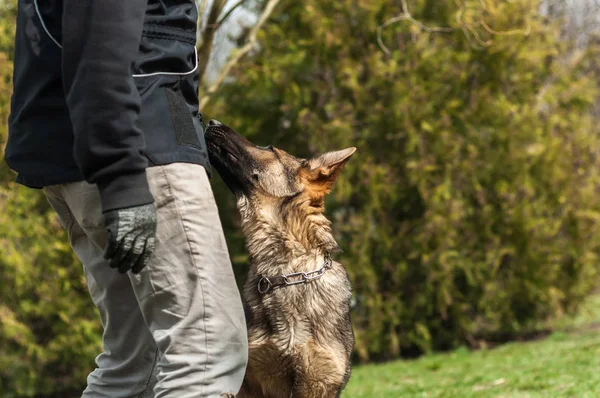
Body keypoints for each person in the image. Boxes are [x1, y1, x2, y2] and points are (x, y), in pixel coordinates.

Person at [5, 1, 248, 397]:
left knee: (135, 365)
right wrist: (122, 179)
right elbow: (99, 45)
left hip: (91, 156)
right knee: (205, 353)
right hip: (139, 156)